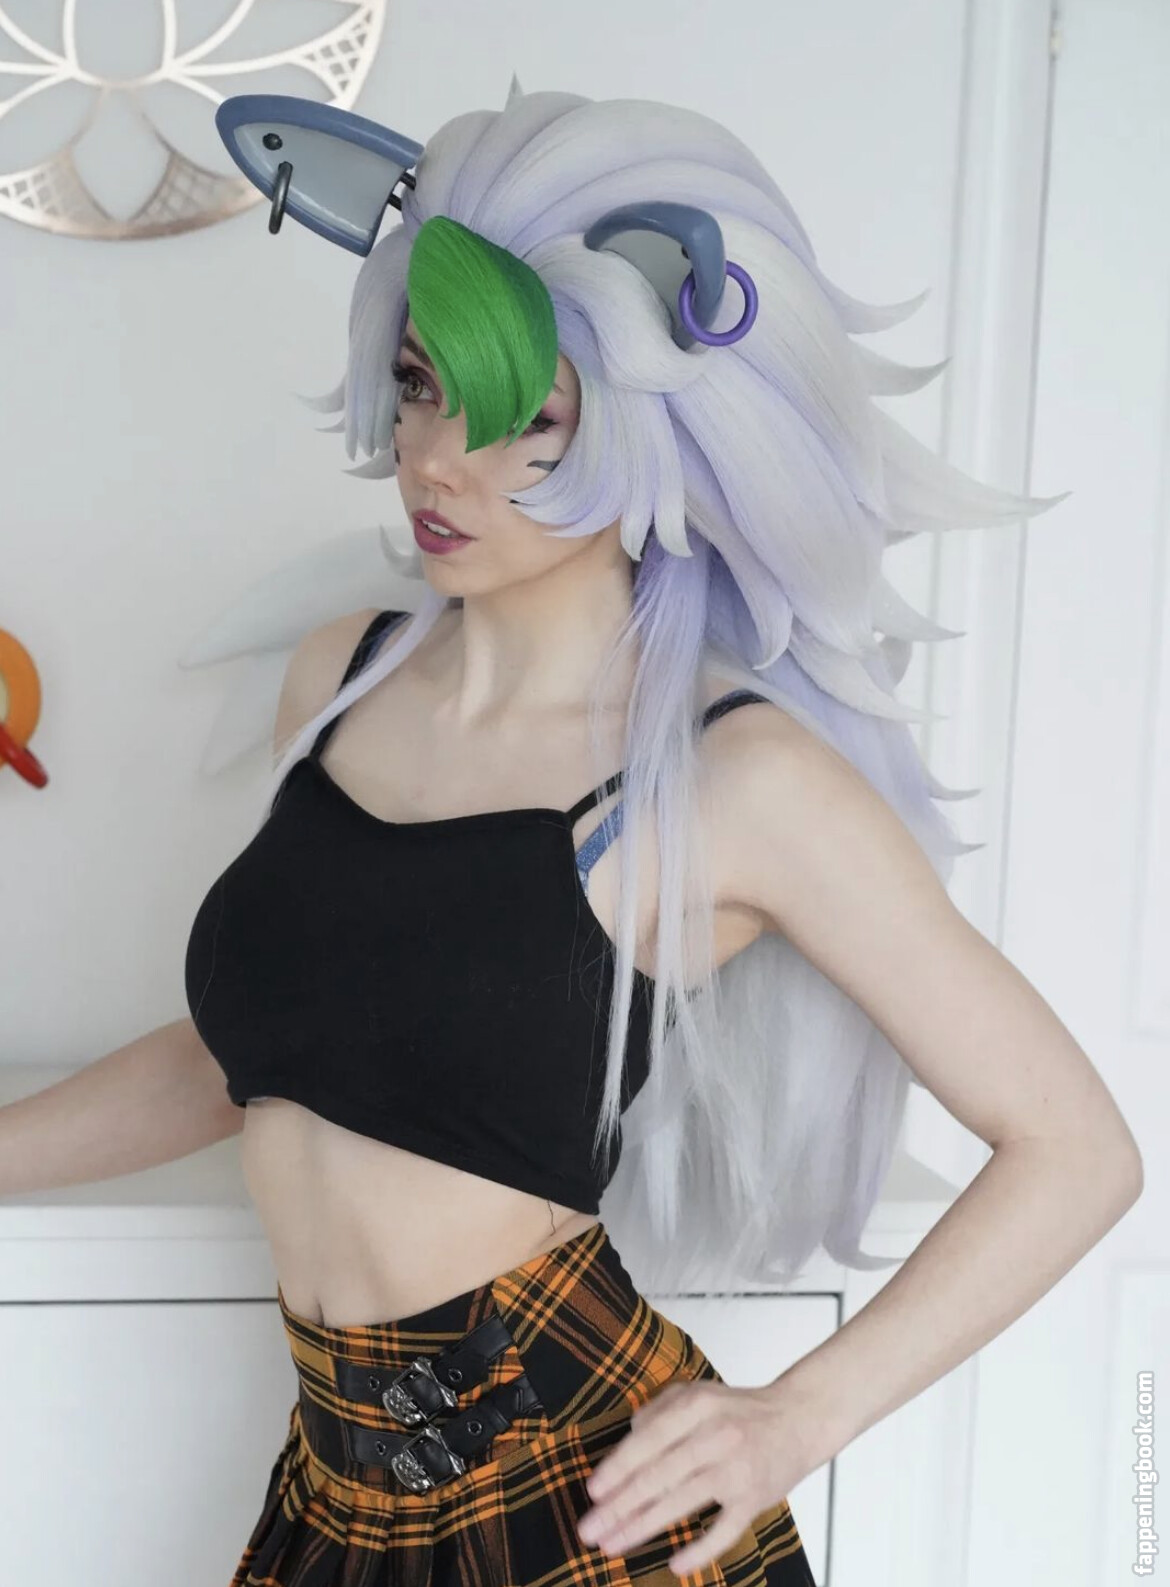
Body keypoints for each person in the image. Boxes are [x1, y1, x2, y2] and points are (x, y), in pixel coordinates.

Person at [19, 79, 1144, 1587]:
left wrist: (797, 1418)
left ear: (656, 438)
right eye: (418, 387)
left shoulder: (732, 780)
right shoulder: (342, 678)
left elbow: (1076, 1149)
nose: (438, 461)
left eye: (526, 424)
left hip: (578, 1491)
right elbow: (258, 1049)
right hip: (337, 1496)